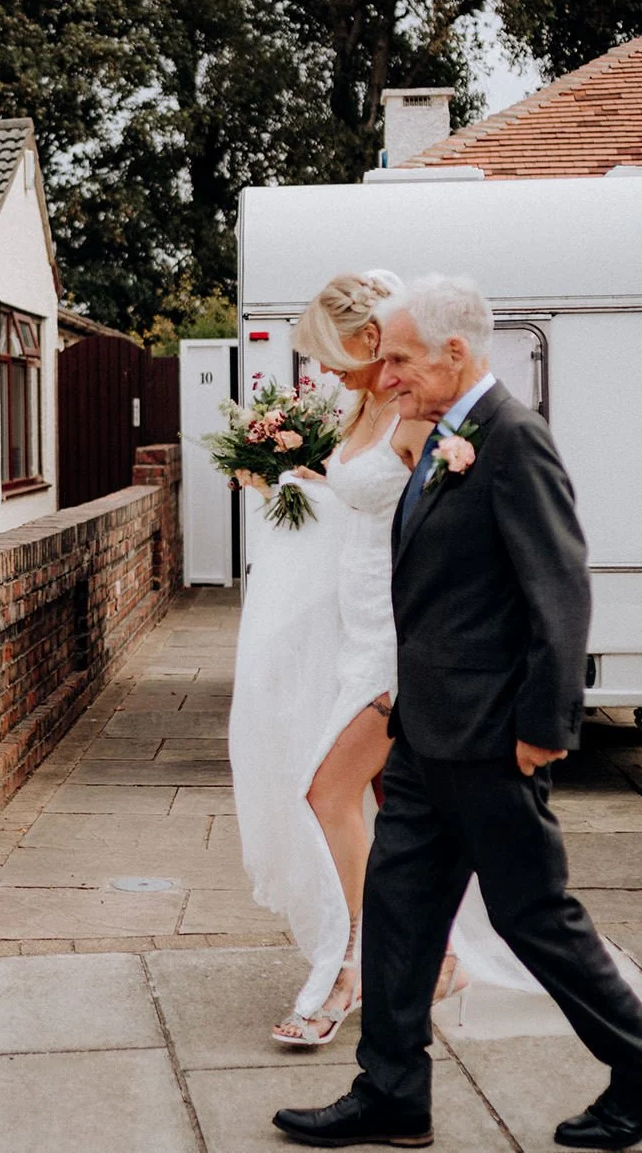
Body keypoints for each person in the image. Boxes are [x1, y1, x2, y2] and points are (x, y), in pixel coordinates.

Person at [273, 275, 642, 1150]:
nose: (385, 374)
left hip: (494, 739)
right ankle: (391, 1090)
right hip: (425, 730)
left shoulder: (511, 440)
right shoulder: (445, 436)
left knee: (532, 913)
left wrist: (547, 729)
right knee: (396, 908)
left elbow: (559, 592)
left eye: (398, 357)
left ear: (453, 353)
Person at [232, 271, 536, 1050]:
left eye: (334, 358)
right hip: (356, 635)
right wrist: (302, 482)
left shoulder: (412, 422)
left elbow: (449, 526)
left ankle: (355, 966)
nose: (326, 374)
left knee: (324, 792)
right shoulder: (361, 409)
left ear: (371, 343)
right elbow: (364, 502)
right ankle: (431, 959)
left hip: (399, 649)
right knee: (389, 812)